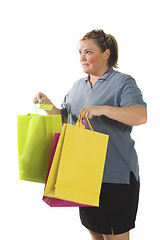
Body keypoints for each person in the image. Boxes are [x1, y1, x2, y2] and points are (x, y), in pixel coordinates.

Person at [33, 29, 147, 240]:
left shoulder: (123, 82)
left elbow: (140, 116)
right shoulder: (78, 86)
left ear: (106, 54)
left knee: (114, 236)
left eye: (88, 51)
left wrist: (102, 109)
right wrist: (48, 105)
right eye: (79, 52)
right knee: (95, 234)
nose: (82, 57)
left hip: (116, 177)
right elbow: (67, 121)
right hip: (84, 175)